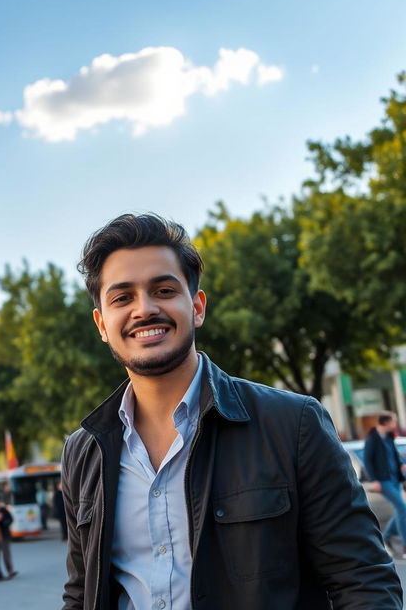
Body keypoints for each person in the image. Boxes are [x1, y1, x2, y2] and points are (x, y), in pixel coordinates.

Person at [61, 213, 403, 610]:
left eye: (164, 289)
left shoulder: (293, 424)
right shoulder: (82, 452)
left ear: (197, 307)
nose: (144, 309)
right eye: (122, 297)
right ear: (102, 324)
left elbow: (363, 580)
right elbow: (80, 592)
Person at [364, 410, 406, 558]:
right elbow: (367, 460)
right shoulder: (372, 439)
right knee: (403, 508)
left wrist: (401, 464)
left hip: (395, 478)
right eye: (393, 421)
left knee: (400, 510)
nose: (395, 424)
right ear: (385, 423)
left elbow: (393, 454)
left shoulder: (389, 437)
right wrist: (374, 480)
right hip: (383, 481)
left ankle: (385, 539)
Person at [0, 494, 17, 578]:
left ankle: (10, 570)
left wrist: (4, 522)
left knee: (6, 553)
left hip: (5, 534)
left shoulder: (2, 510)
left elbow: (10, 518)